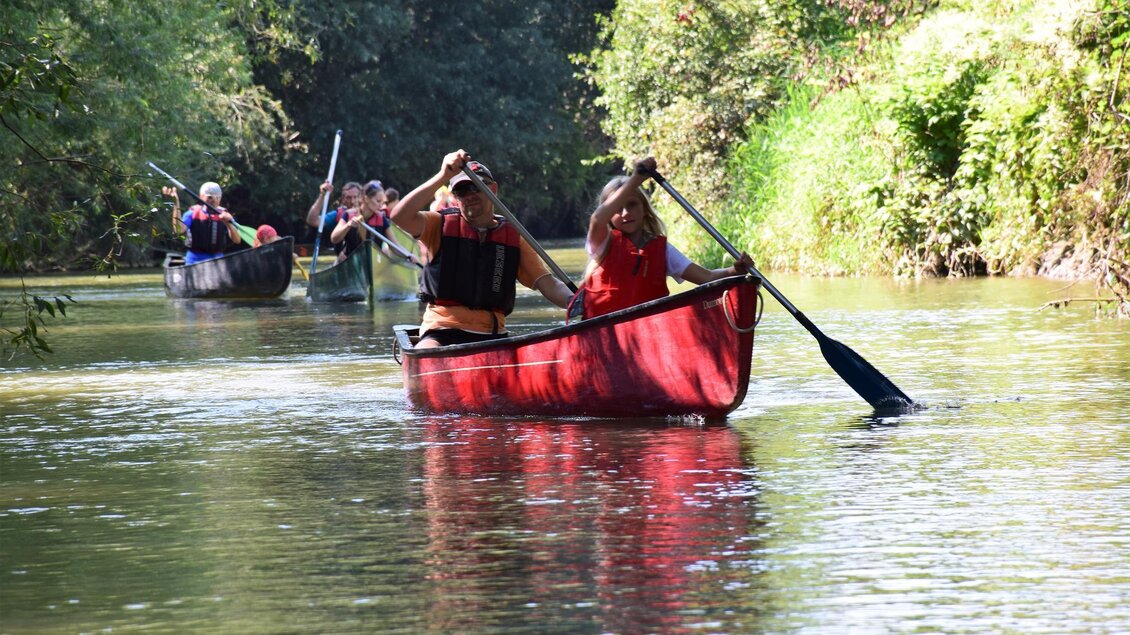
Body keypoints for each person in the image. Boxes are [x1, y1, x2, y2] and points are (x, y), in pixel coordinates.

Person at [390, 149, 573, 349]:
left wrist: (577, 302)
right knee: (427, 350)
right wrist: (444, 175)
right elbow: (400, 216)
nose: (469, 195)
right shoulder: (438, 224)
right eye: (462, 191)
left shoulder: (514, 237)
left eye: (476, 187)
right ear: (456, 197)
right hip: (443, 331)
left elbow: (549, 285)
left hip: (494, 335)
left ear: (492, 190)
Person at [577, 157, 753, 319]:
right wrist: (635, 180)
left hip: (650, 328)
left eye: (632, 205)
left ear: (644, 208)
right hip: (606, 333)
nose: (625, 213)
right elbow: (597, 219)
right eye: (617, 209)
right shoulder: (602, 242)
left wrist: (735, 271)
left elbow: (706, 278)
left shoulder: (662, 250)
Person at [163, 182, 241, 265]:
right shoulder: (193, 213)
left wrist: (228, 223)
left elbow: (237, 240)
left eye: (217, 197)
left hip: (218, 262)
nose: (214, 200)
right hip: (194, 262)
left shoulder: (225, 215)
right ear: (201, 197)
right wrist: (175, 203)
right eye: (210, 197)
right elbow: (178, 230)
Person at [330, 179, 393, 261]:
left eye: (383, 202)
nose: (382, 205)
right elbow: (334, 239)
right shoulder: (349, 215)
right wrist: (348, 225)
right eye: (378, 201)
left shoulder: (382, 219)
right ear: (366, 199)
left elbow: (395, 246)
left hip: (374, 265)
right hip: (351, 264)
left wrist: (409, 256)